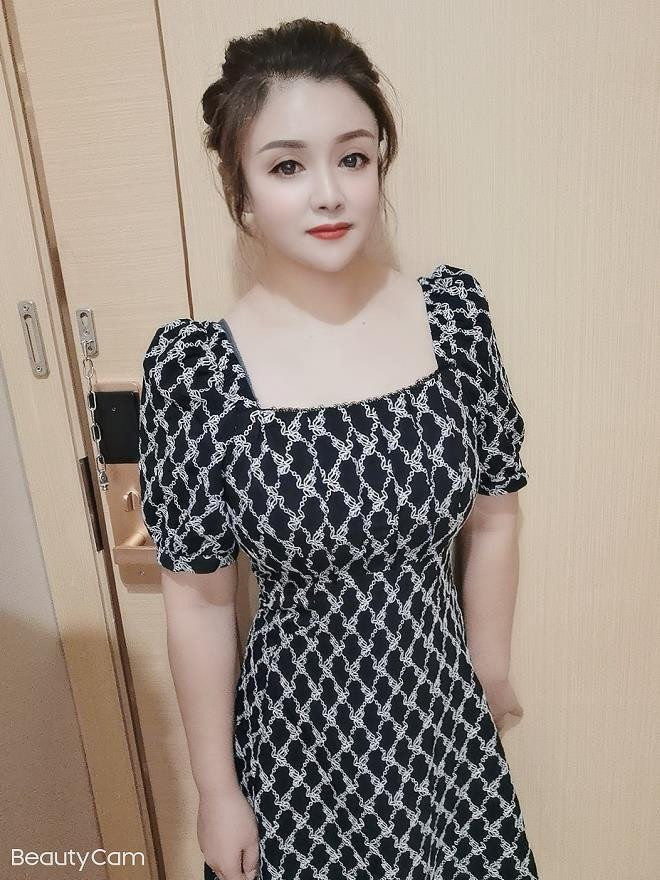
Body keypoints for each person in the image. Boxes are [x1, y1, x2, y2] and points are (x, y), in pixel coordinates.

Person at [138, 17, 539, 880]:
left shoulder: (453, 321)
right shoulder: (198, 374)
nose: (329, 193)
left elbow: (495, 514)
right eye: (287, 166)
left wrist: (490, 668)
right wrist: (216, 791)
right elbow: (199, 603)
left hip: (445, 730)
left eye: (353, 158)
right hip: (298, 753)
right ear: (240, 188)